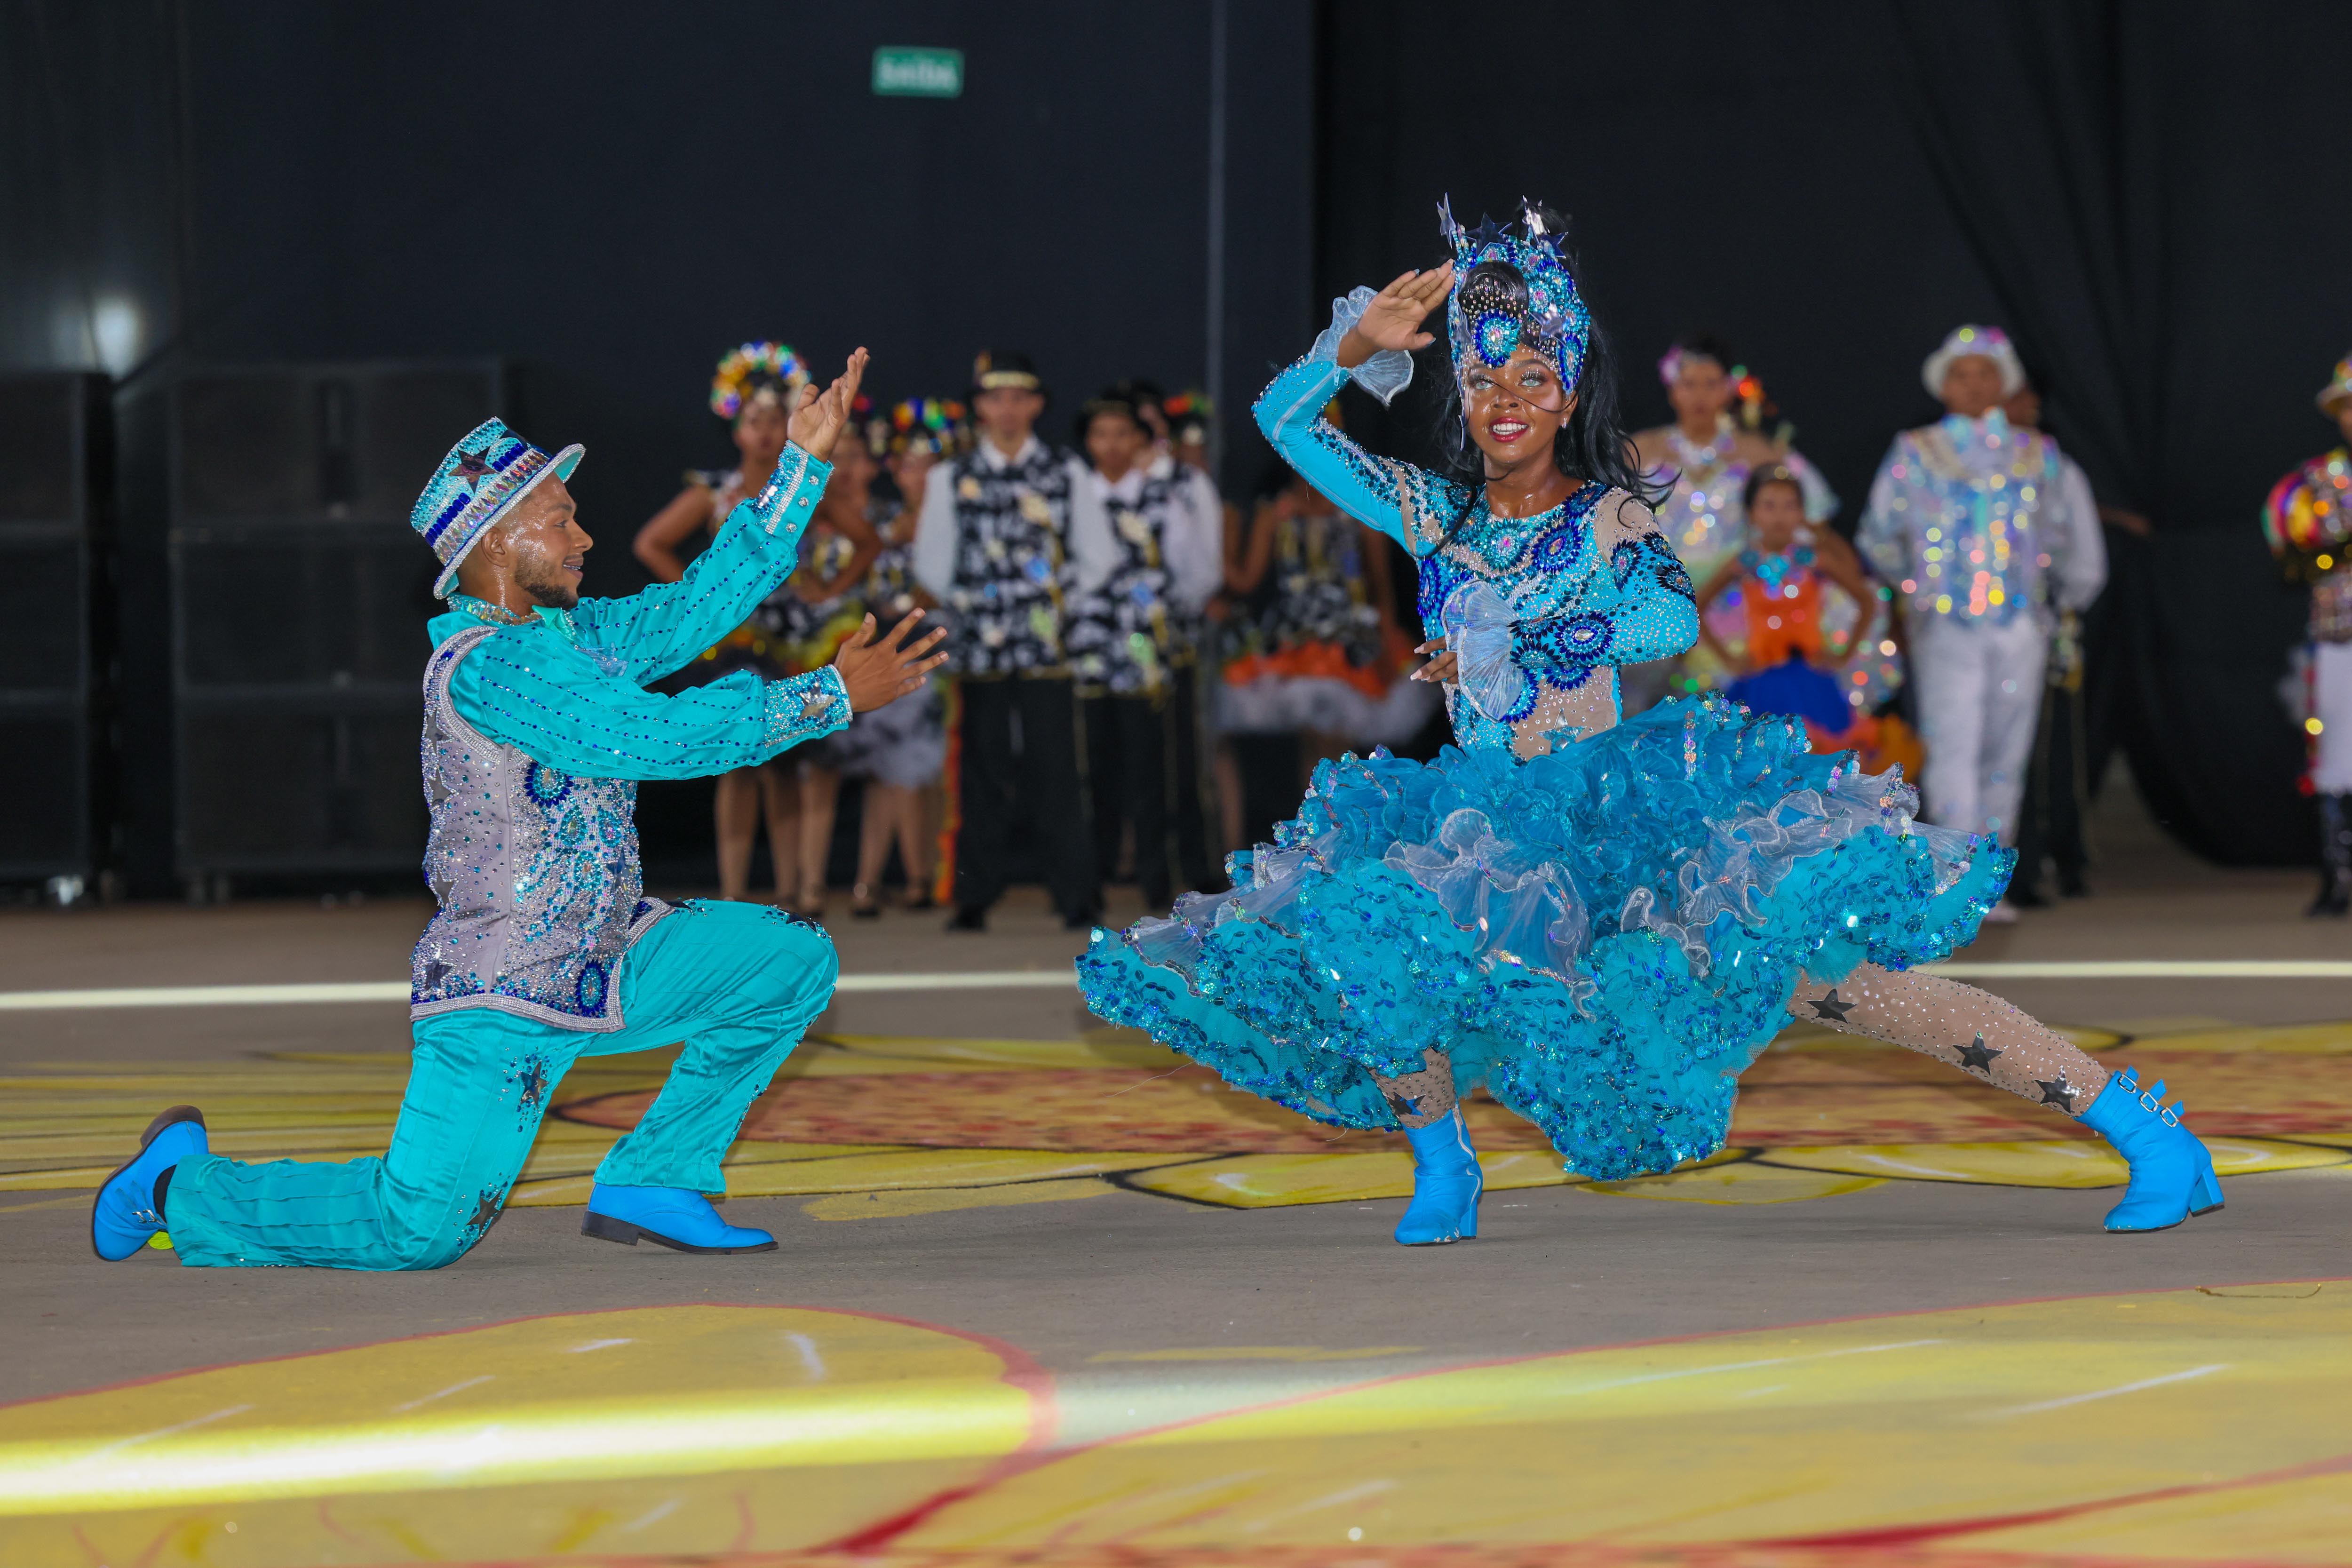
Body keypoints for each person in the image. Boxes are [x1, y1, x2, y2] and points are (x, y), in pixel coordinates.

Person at [1078, 202, 2219, 1249]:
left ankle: (2143, 1128)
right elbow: (1283, 423)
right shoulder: (1433, 510)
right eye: (1485, 382)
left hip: (1619, 817)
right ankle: (1443, 1165)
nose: (1507, 398)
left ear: (1567, 397)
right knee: (1381, 937)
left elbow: (1662, 618)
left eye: (1533, 377)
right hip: (1484, 813)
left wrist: (1514, 637)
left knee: (1842, 985)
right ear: (1464, 400)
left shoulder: (1611, 509)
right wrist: (1355, 348)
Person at [92, 354, 952, 1268]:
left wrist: (801, 468)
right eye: (559, 519)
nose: (583, 535)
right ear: (498, 542)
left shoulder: (567, 635)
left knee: (785, 961)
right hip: (502, 991)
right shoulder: (490, 666)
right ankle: (174, 1186)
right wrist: (827, 695)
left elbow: (698, 605)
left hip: (611, 955)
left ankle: (658, 1176)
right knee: (414, 1230)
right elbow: (655, 740)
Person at [1857, 326, 2106, 923]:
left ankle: (1987, 882)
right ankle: (1951, 882)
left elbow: (2073, 535)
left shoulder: (2038, 455)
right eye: (1961, 374)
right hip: (1945, 624)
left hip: (2019, 622)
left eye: (1985, 373)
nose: (1972, 385)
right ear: (1943, 384)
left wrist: (2060, 600)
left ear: (2006, 383)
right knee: (1951, 745)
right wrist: (1915, 592)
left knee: (2006, 750)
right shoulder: (1915, 450)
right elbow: (1876, 534)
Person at [912, 350, 1116, 930]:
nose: (1007, 410)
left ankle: (1076, 893)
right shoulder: (950, 476)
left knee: (1057, 770)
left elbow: (1098, 558)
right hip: (979, 650)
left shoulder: (1064, 471)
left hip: (1048, 653)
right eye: (995, 398)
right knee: (980, 770)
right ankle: (974, 895)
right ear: (980, 406)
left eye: (1018, 398)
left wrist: (1053, 607)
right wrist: (979, 604)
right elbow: (932, 563)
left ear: (1036, 404)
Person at [634, 342, 811, 905]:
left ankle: (790, 890)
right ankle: (732, 893)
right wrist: (700, 596)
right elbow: (650, 543)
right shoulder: (715, 491)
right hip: (732, 645)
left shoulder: (803, 491)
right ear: (737, 431)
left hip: (786, 640)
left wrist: (824, 591)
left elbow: (863, 539)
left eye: (776, 423)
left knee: (782, 765)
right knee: (735, 763)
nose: (764, 434)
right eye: (755, 422)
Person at [1068, 382, 1224, 908]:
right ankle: (1087, 885)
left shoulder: (1164, 497)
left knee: (1154, 773)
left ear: (1139, 439)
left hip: (1150, 662)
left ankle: (1159, 882)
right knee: (1091, 774)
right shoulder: (1070, 498)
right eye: (1100, 435)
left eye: (1122, 434)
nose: (1111, 446)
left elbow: (1196, 572)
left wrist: (1160, 618)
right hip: (1086, 659)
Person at [1628, 337, 1839, 706]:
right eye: (1689, 384)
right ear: (1672, 390)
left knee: (1727, 715)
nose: (1700, 397)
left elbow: (1812, 517)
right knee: (1642, 706)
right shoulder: (1640, 449)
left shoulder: (1758, 451)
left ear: (1727, 390)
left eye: (1711, 385)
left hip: (1734, 597)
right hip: (1657, 594)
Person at [840, 398, 963, 916]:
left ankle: (928, 875)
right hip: (889, 645)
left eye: (929, 465)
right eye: (909, 465)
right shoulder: (884, 521)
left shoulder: (957, 521)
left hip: (939, 647)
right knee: (890, 766)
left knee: (927, 767)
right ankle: (879, 879)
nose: (918, 474)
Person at [769, 416, 888, 919]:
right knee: (774, 767)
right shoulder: (776, 497)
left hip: (823, 646)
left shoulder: (835, 505)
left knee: (819, 766)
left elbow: (870, 545)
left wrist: (830, 590)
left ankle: (813, 885)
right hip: (772, 644)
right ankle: (784, 885)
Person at [2003, 377, 2107, 907]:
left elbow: (2084, 558)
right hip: (1971, 631)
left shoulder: (2055, 470)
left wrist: (2057, 609)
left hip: (2039, 625)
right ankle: (2004, 867)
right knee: (1990, 751)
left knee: (2052, 748)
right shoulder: (1953, 472)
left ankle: (2061, 857)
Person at [1694, 463, 1882, 751]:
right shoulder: (1744, 563)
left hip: (1810, 682)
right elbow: (1697, 606)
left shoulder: (1814, 560)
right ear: (1751, 513)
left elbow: (1867, 599)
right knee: (1759, 763)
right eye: (1769, 506)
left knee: (1815, 762)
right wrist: (1729, 661)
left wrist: (1844, 656)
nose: (1779, 516)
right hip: (1760, 682)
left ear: (1802, 513)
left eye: (1789, 506)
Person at [2262, 352, 2352, 915]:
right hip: (2339, 637)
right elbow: (2291, 560)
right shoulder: (2312, 484)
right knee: (2335, 755)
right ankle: (2337, 873)